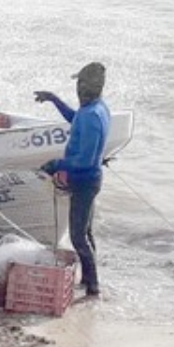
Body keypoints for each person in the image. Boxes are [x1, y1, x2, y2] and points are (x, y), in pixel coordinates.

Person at [34, 61, 111, 297]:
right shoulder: (96, 109)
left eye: (79, 84)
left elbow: (85, 160)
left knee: (78, 237)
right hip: (91, 179)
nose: (78, 89)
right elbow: (74, 119)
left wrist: (57, 164)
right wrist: (54, 99)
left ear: (85, 87)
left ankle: (93, 287)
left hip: (85, 182)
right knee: (86, 232)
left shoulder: (91, 116)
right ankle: (88, 279)